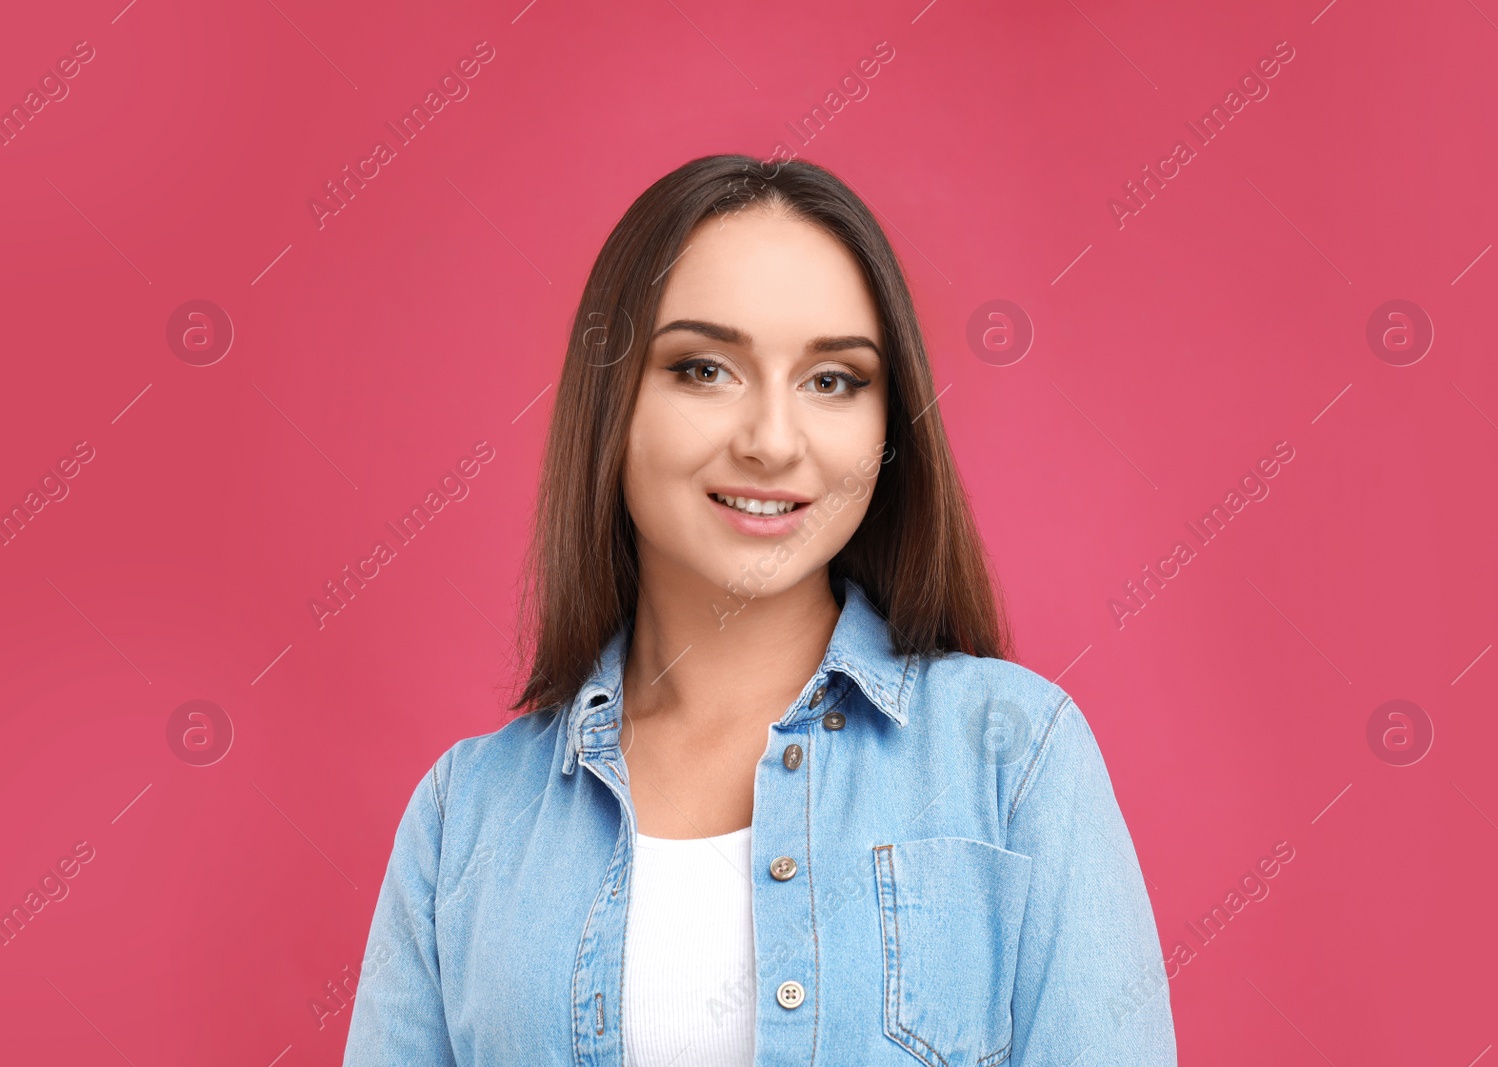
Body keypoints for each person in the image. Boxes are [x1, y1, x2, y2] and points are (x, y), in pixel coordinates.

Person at [342, 154, 1177, 1066]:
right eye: (704, 368)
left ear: (888, 426)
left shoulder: (1015, 759)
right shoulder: (467, 817)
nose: (773, 441)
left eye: (833, 380)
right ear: (612, 402)